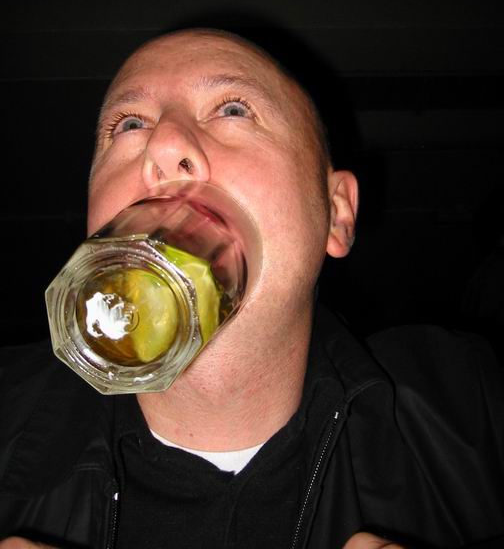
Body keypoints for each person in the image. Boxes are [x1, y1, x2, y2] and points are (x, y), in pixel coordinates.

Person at [0, 29, 503, 549]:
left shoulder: (473, 406)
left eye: (233, 110)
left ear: (336, 213)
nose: (164, 144)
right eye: (129, 125)